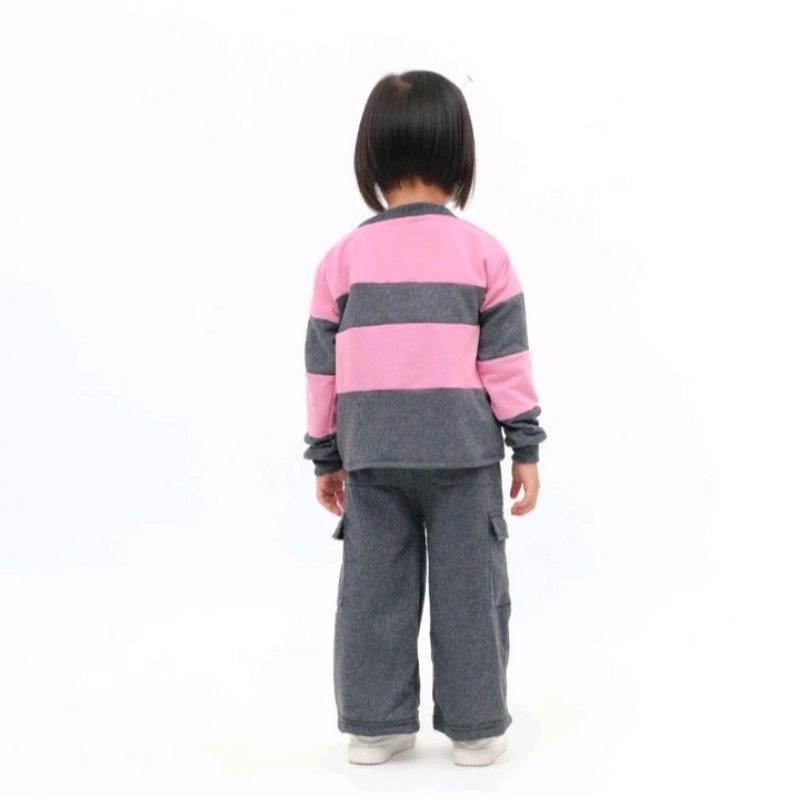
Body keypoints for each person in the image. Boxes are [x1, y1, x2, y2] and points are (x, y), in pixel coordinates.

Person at [303, 69, 546, 767]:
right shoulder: (484, 254)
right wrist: (526, 447)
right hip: (463, 458)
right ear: (459, 154)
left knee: (372, 593)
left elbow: (322, 370)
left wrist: (325, 454)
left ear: (371, 157)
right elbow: (505, 362)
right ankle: (475, 726)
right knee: (472, 594)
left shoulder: (342, 260)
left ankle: (375, 725)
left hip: (372, 458)